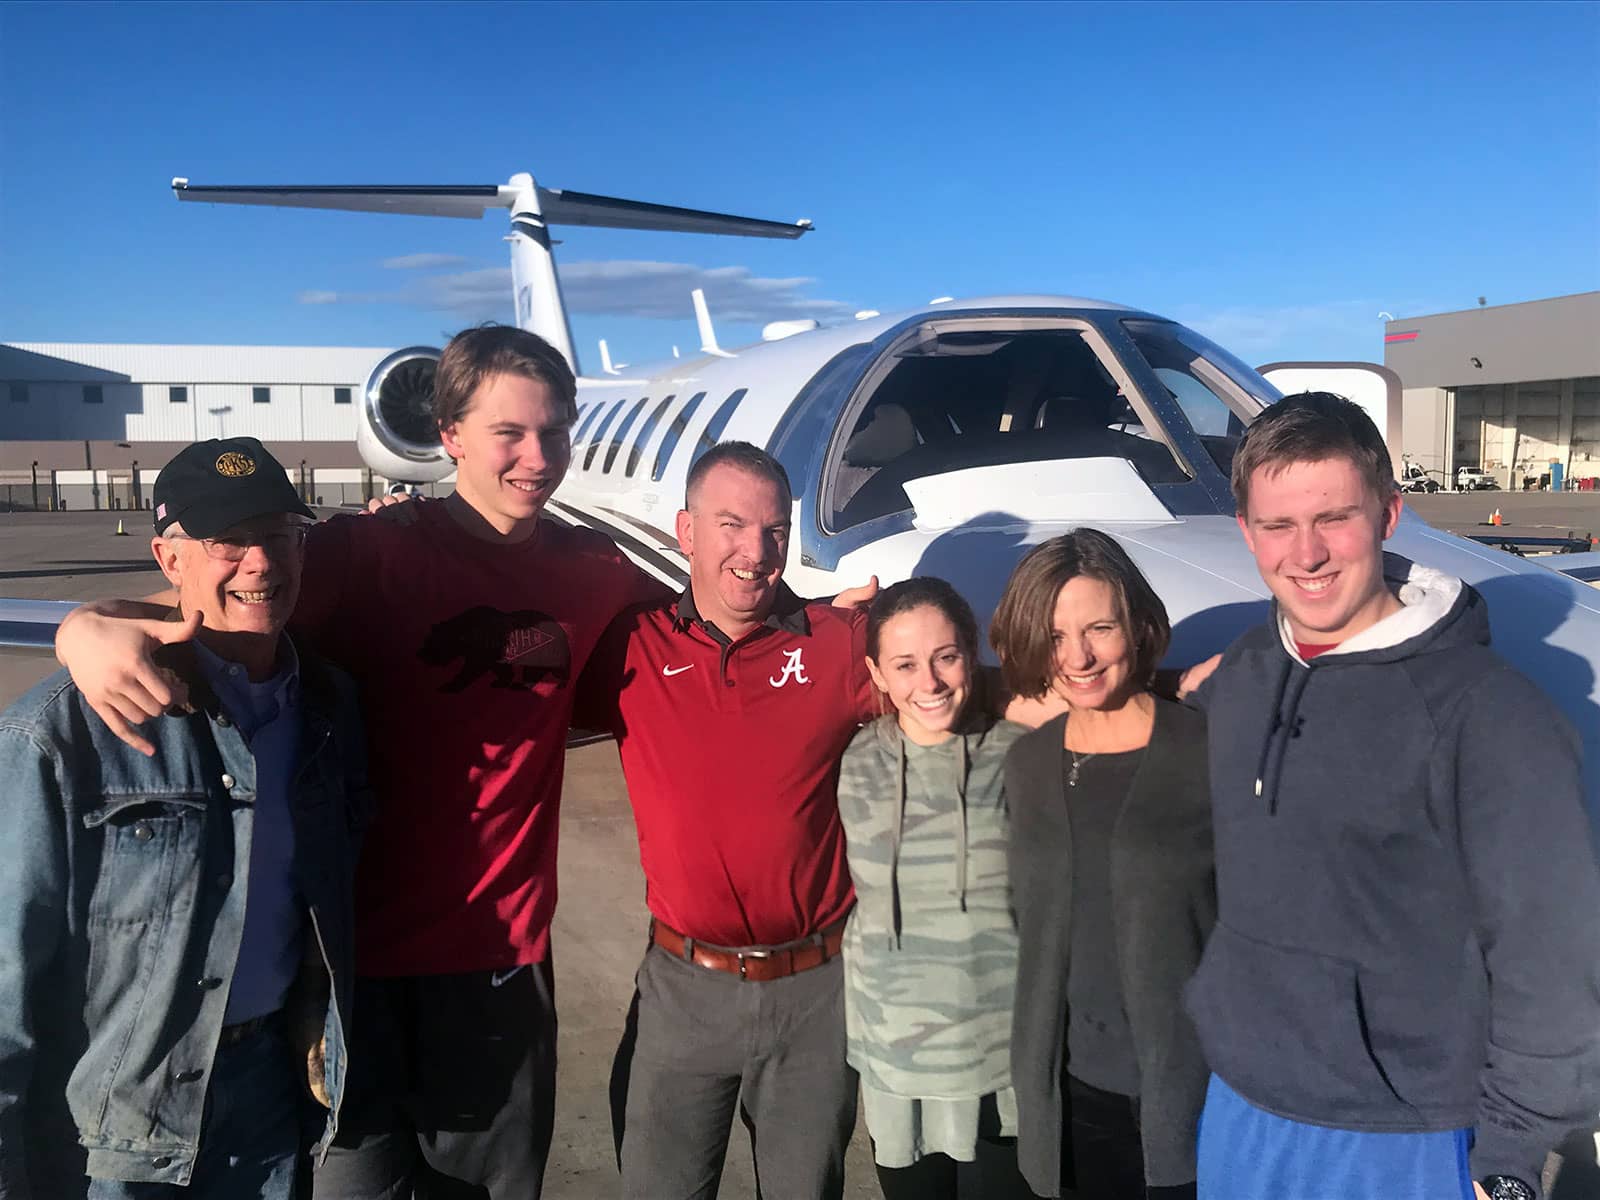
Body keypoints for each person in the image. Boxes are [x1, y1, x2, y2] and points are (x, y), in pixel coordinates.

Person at [52, 326, 666, 1199]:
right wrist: (86, 627)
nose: (538, 457)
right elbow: (219, 592)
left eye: (557, 432)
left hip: (497, 963)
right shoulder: (364, 553)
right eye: (509, 433)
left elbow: (719, 624)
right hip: (343, 971)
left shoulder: (595, 569)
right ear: (449, 434)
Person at [1182, 392, 1600, 1200]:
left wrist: (1512, 1151)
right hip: (1244, 1103)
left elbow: (1548, 954)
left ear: (1389, 514)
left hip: (1400, 1131)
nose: (1306, 554)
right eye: (1277, 526)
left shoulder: (1490, 714)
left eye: (1334, 518)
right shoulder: (1243, 675)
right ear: (1246, 532)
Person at [0, 438, 367, 1199]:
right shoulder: (65, 731)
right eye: (227, 542)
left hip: (274, 1098)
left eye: (279, 535)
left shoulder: (330, 707)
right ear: (170, 561)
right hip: (115, 1129)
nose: (261, 562)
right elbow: (7, 968)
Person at [577, 442, 880, 1200]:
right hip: (685, 989)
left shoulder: (840, 646)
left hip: (815, 992)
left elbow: (961, 685)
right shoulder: (630, 647)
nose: (755, 552)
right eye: (731, 525)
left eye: (774, 531)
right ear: (685, 531)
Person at [991, 529, 1213, 1200]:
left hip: (1192, 1101)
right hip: (1065, 1097)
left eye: (1100, 628)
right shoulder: (1027, 767)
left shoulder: (1206, 753)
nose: (1078, 657)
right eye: (1055, 637)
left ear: (1140, 627)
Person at [835, 577, 1032, 1200]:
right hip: (896, 1065)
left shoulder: (1023, 757)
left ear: (971, 653)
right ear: (877, 673)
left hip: (1004, 1065)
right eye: (905, 664)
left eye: (946, 656)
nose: (930, 682)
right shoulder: (850, 761)